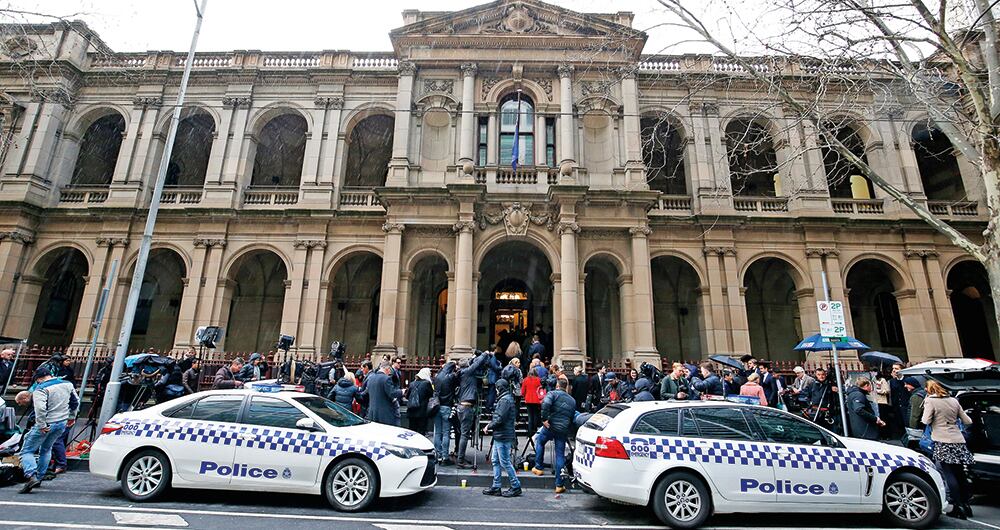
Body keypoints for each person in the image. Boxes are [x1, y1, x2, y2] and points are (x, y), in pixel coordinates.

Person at [19, 367, 79, 493]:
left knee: (26, 451)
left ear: (39, 379)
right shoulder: (67, 384)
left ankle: (31, 475)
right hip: (61, 422)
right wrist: (71, 417)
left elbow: (40, 409)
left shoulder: (40, 389)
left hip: (47, 423)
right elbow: (75, 402)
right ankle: (40, 477)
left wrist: (41, 425)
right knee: (46, 449)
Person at [922, 379, 975, 519]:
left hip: (942, 439)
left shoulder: (930, 401)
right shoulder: (954, 400)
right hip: (958, 440)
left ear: (929, 389)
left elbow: (925, 420)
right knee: (960, 473)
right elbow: (968, 421)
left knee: (948, 473)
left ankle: (958, 506)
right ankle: (966, 505)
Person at [531, 377, 576, 493]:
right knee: (560, 455)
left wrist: (544, 419)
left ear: (557, 385)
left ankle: (538, 467)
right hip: (562, 429)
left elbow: (545, 404)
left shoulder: (552, 394)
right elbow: (572, 416)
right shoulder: (572, 400)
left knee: (540, 442)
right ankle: (559, 485)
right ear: (566, 386)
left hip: (550, 426)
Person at [482, 378, 521, 497]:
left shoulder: (504, 401)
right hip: (501, 434)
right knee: (496, 460)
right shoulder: (505, 399)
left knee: (505, 462)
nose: (496, 391)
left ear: (500, 388)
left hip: (503, 435)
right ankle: (496, 486)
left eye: (497, 388)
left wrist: (488, 426)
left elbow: (499, 419)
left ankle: (516, 486)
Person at [455, 351, 491, 468]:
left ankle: (460, 456)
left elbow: (473, 364)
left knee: (463, 434)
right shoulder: (467, 372)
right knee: (465, 435)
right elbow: (477, 364)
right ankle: (460, 460)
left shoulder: (462, 372)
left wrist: (474, 357)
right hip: (466, 407)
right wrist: (485, 354)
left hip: (462, 406)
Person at [432, 362, 458, 465]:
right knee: (446, 433)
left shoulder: (438, 376)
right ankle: (444, 457)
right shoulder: (450, 377)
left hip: (437, 406)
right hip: (446, 406)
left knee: (438, 432)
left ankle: (437, 455)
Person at [364, 362, 403, 426]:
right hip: (384, 414)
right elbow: (392, 393)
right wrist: (401, 392)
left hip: (372, 413)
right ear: (387, 369)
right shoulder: (386, 379)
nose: (389, 373)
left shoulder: (371, 378)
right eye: (389, 371)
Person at [405, 368, 434, 435]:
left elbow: (407, 396)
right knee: (421, 432)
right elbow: (431, 395)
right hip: (421, 411)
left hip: (411, 410)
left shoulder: (412, 383)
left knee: (412, 431)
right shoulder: (427, 384)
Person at [522, 363, 544, 438]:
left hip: (528, 400)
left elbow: (522, 391)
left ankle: (530, 433)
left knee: (530, 417)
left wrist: (525, 396)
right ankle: (535, 431)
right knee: (536, 416)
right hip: (537, 400)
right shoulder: (538, 380)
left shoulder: (525, 380)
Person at [889, 363, 908, 437]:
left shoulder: (906, 379)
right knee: (900, 423)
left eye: (896, 368)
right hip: (897, 406)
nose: (894, 370)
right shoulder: (892, 381)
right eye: (893, 368)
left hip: (906, 405)